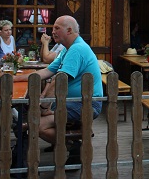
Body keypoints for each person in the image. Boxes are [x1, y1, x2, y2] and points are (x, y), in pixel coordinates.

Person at [13, 15, 103, 162]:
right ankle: (74, 145)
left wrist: (44, 104)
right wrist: (15, 78)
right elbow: (47, 72)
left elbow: (60, 80)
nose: (52, 31)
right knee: (33, 119)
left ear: (69, 30)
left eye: (56, 28)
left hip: (86, 104)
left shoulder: (77, 49)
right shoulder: (67, 49)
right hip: (70, 102)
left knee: (37, 124)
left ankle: (75, 145)